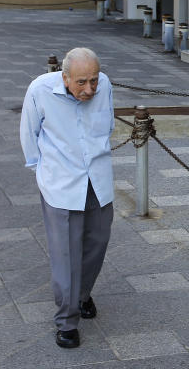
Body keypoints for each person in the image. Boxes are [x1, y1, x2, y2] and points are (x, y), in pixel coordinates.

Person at [20, 47, 115, 349]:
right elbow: (29, 134)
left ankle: (82, 295)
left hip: (97, 180)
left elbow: (109, 124)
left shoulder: (106, 86)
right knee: (66, 256)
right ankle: (67, 321)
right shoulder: (39, 90)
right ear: (64, 77)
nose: (89, 89)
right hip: (60, 184)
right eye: (81, 82)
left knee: (97, 245)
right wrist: (43, 172)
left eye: (94, 81)